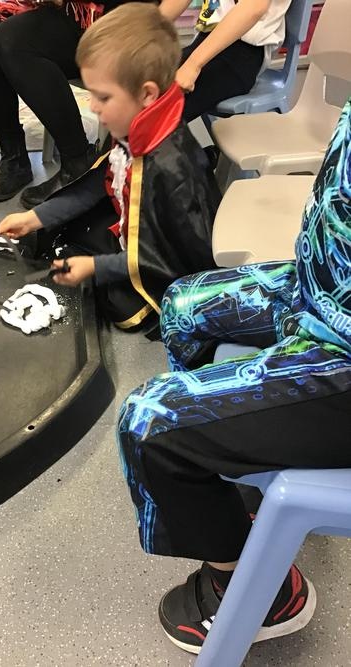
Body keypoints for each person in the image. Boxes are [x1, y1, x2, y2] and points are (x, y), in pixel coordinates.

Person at [117, 100, 351, 654]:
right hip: (319, 295)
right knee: (182, 305)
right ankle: (223, 461)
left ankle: (261, 592)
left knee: (150, 424)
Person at [0, 3, 220, 331]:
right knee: (67, 231)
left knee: (120, 306)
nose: (92, 106)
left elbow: (167, 256)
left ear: (146, 94)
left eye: (102, 97)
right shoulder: (137, 126)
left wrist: (95, 268)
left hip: (167, 268)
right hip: (137, 235)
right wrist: (34, 218)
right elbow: (94, 186)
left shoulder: (170, 168)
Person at [0, 0, 150, 208]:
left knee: (15, 38)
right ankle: (14, 157)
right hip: (57, 11)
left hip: (108, 17)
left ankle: (77, 160)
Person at [160, 0, 291, 121]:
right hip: (206, 41)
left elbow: (254, 7)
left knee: (162, 108)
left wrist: (192, 65)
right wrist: (149, 29)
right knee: (153, 83)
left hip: (243, 51)